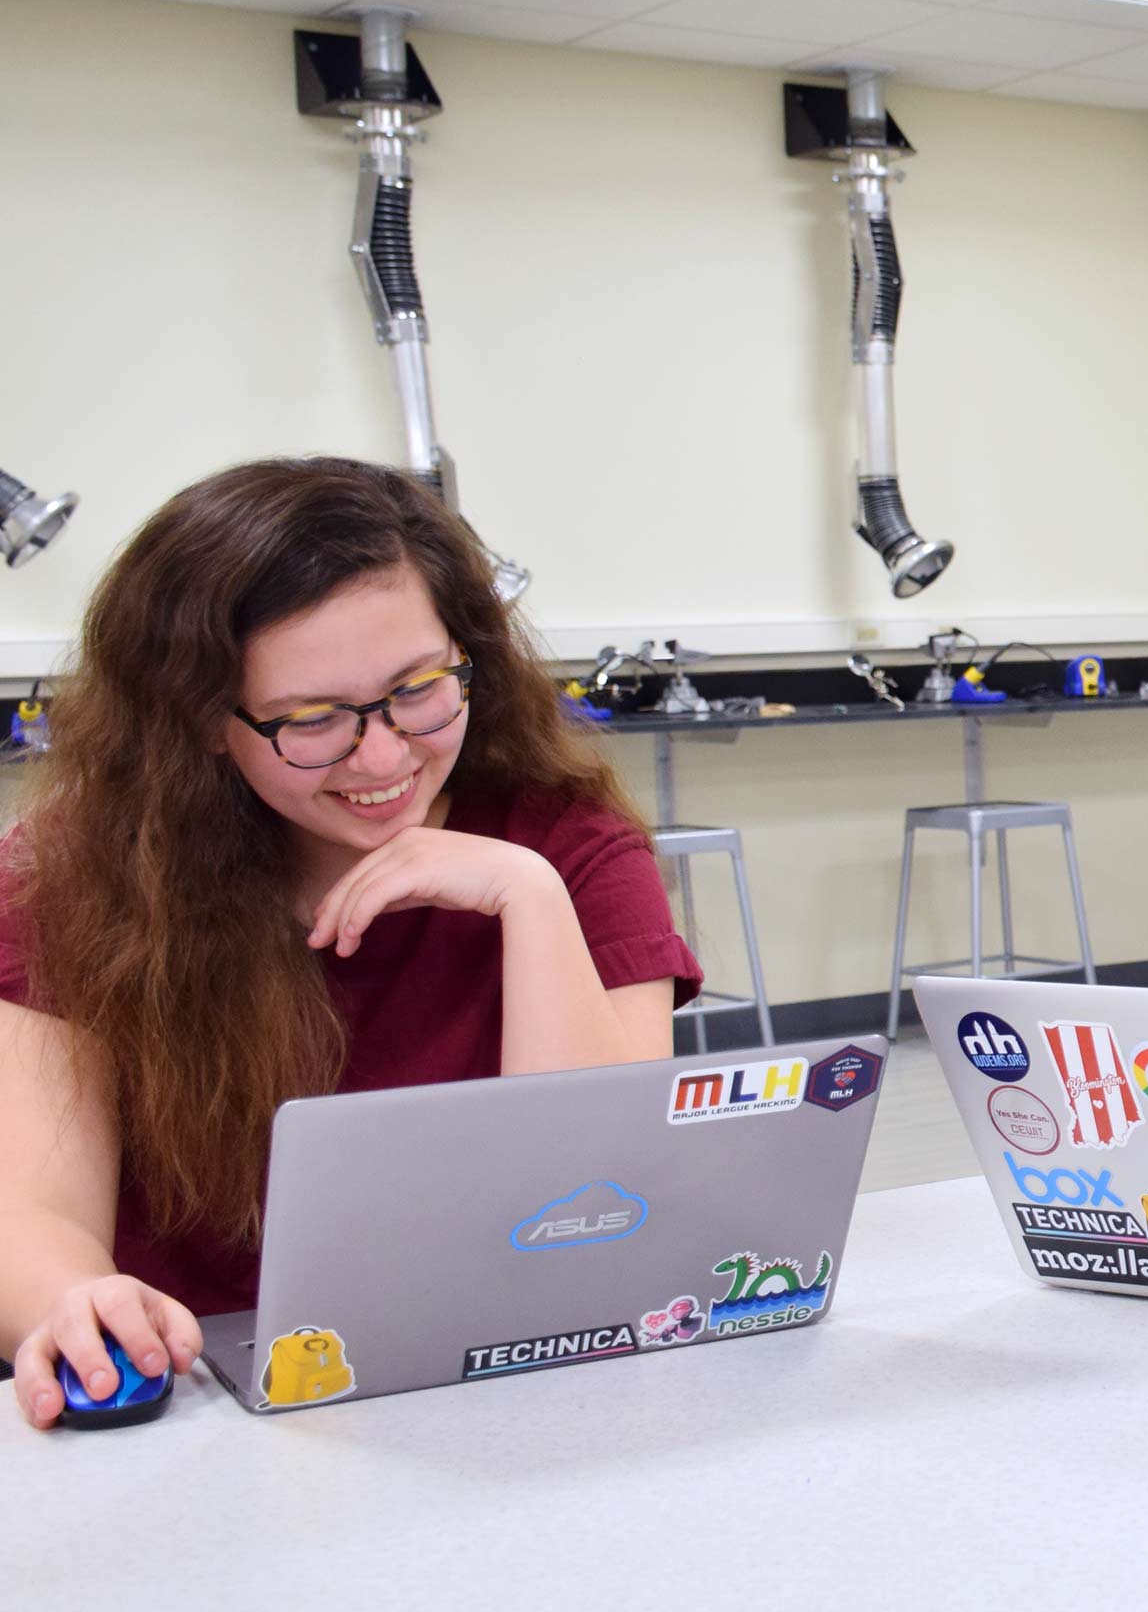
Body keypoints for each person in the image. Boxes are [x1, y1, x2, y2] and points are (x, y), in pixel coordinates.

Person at [0, 458, 700, 1429]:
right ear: (201, 718)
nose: (382, 757)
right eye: (313, 720)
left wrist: (526, 895)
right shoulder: (69, 878)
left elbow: (598, 1208)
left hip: (501, 1386)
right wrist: (71, 1301)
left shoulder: (567, 845)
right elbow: (31, 1208)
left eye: (419, 689)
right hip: (203, 1405)